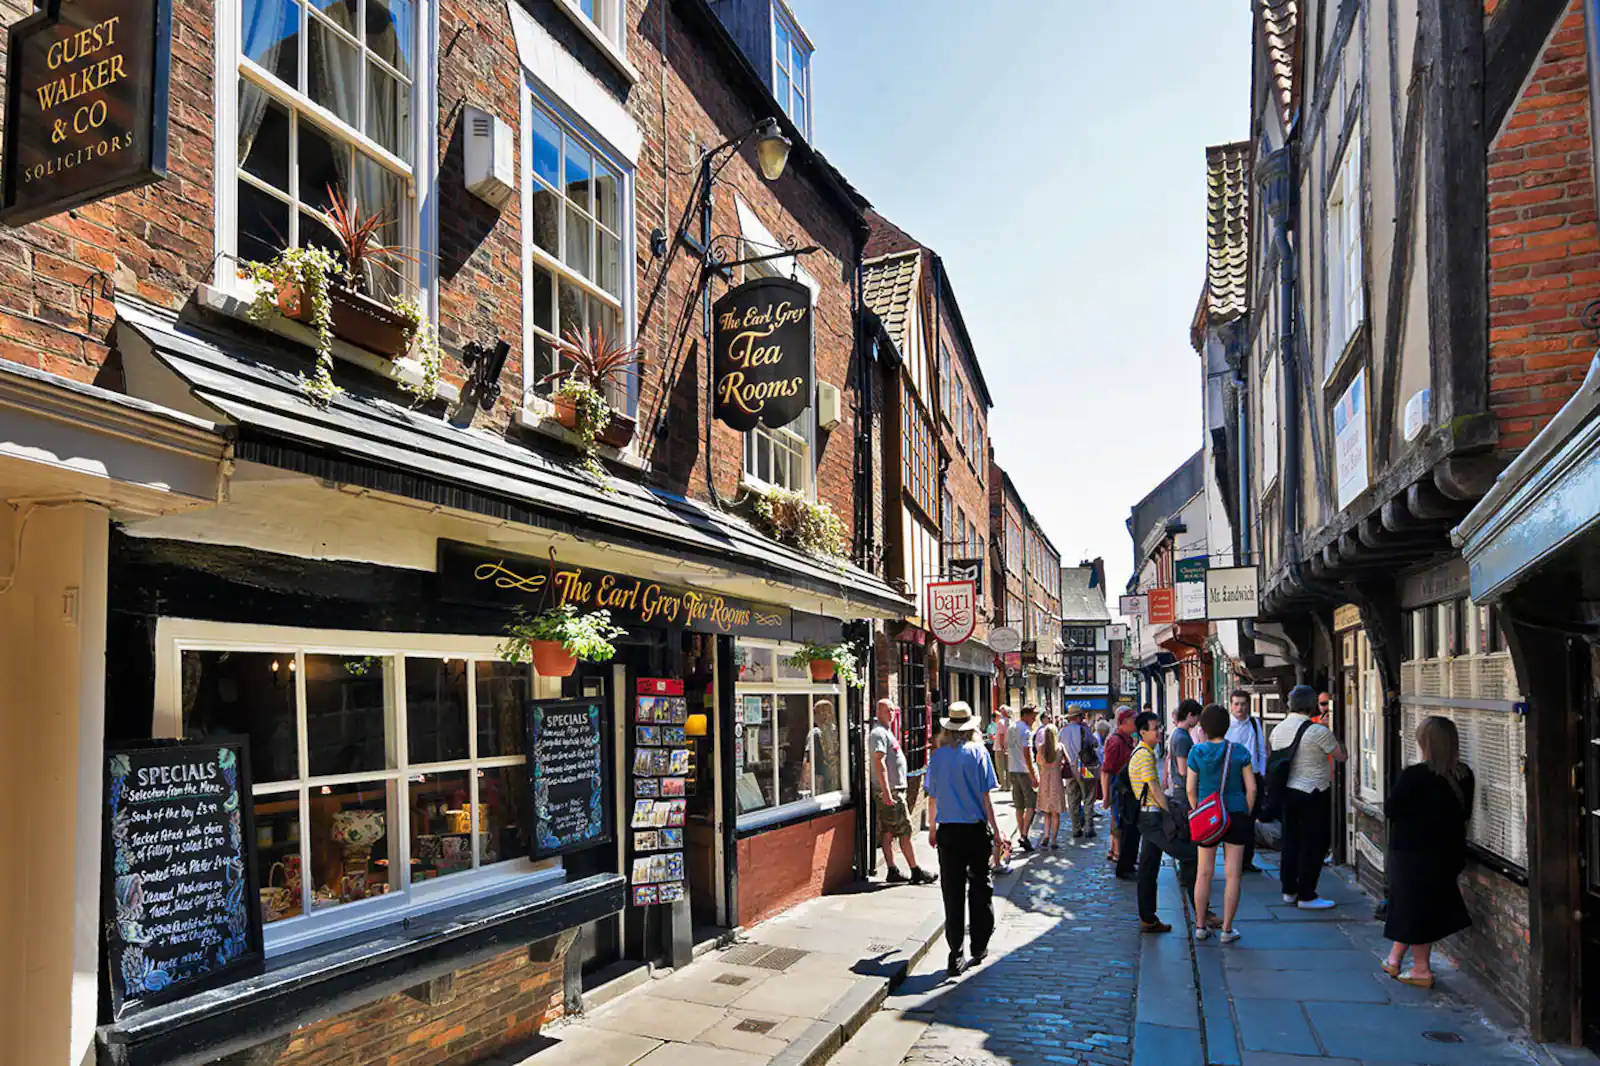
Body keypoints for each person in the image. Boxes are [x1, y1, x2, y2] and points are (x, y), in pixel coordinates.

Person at [1382, 715, 1475, 988]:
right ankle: (1394, 959)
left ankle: (1421, 969)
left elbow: (1391, 810)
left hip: (1412, 852)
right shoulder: (1464, 775)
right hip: (1446, 854)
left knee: (1415, 908)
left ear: (1426, 744)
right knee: (1417, 907)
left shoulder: (1415, 775)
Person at [924, 701, 1003, 976]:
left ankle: (955, 952)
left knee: (952, 892)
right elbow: (986, 797)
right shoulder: (979, 752)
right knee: (981, 889)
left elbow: (932, 798)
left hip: (948, 831)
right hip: (975, 830)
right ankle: (979, 946)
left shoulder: (938, 757)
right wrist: (997, 831)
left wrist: (933, 829)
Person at [1271, 684, 1346, 909]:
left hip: (1288, 792)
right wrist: (1333, 731)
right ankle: (1307, 895)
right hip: (1314, 792)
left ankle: (1289, 890)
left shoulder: (1278, 729)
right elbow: (1341, 756)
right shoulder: (1317, 731)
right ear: (1311, 705)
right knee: (1313, 844)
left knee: (1291, 842)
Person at [1188, 703, 1258, 943]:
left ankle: (1199, 926)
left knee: (1204, 872)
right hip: (1236, 814)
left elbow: (1190, 790)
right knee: (1233, 875)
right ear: (1227, 726)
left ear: (1203, 727)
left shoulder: (1197, 753)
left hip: (1209, 816)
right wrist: (1245, 810)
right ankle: (1227, 930)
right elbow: (1252, 787)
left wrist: (1199, 810)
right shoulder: (1239, 752)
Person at [1131, 710, 1199, 934]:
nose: (1159, 731)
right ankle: (1201, 912)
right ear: (1143, 732)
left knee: (1149, 868)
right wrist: (1170, 811)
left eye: (1159, 727)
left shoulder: (1143, 752)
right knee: (1189, 854)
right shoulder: (1143, 754)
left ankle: (1148, 919)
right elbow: (1154, 789)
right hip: (1151, 817)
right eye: (1155, 728)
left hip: (1147, 815)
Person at [869, 698, 937, 886]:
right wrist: (886, 792)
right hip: (891, 791)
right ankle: (915, 871)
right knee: (905, 830)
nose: (891, 713)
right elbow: (879, 761)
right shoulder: (878, 733)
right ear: (878, 712)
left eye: (892, 710)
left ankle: (892, 870)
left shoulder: (886, 732)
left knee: (889, 832)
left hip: (893, 789)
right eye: (887, 710)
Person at [1225, 689, 1267, 872]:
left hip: (1254, 776)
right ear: (1231, 705)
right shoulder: (1226, 725)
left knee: (1250, 819)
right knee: (1233, 819)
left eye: (1243, 704)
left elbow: (1261, 750)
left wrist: (1262, 773)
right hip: (1234, 779)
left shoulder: (1254, 723)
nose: (1239, 708)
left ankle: (1247, 861)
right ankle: (1232, 861)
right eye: (1236, 704)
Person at [1101, 707, 1140, 879]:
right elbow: (1107, 770)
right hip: (1119, 787)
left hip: (1127, 787)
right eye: (1133, 721)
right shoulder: (1115, 741)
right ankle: (1120, 857)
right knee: (1120, 822)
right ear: (1124, 723)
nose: (1136, 724)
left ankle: (1119, 854)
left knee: (1125, 823)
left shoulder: (1128, 739)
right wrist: (1106, 796)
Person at [1006, 705, 1040, 852]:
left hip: (1013, 769)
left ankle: (1021, 833)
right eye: (1033, 716)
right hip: (1024, 771)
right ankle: (1025, 834)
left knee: (1019, 805)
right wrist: (1033, 775)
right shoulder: (1026, 731)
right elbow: (1027, 754)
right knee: (1031, 804)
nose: (1034, 720)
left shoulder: (1012, 727)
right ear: (1026, 715)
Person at [1061, 705, 1098, 839]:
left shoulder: (1063, 731)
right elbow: (1094, 744)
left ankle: (1075, 828)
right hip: (1084, 768)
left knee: (1072, 798)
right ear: (1079, 717)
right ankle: (1089, 827)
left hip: (1069, 770)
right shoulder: (1084, 729)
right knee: (1088, 796)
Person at [1034, 722, 1065, 849]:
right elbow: (1064, 761)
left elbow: (1038, 762)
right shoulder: (1060, 747)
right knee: (1055, 813)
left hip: (1045, 781)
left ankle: (1046, 836)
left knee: (1046, 812)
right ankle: (1054, 840)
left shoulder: (1041, 748)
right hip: (1056, 781)